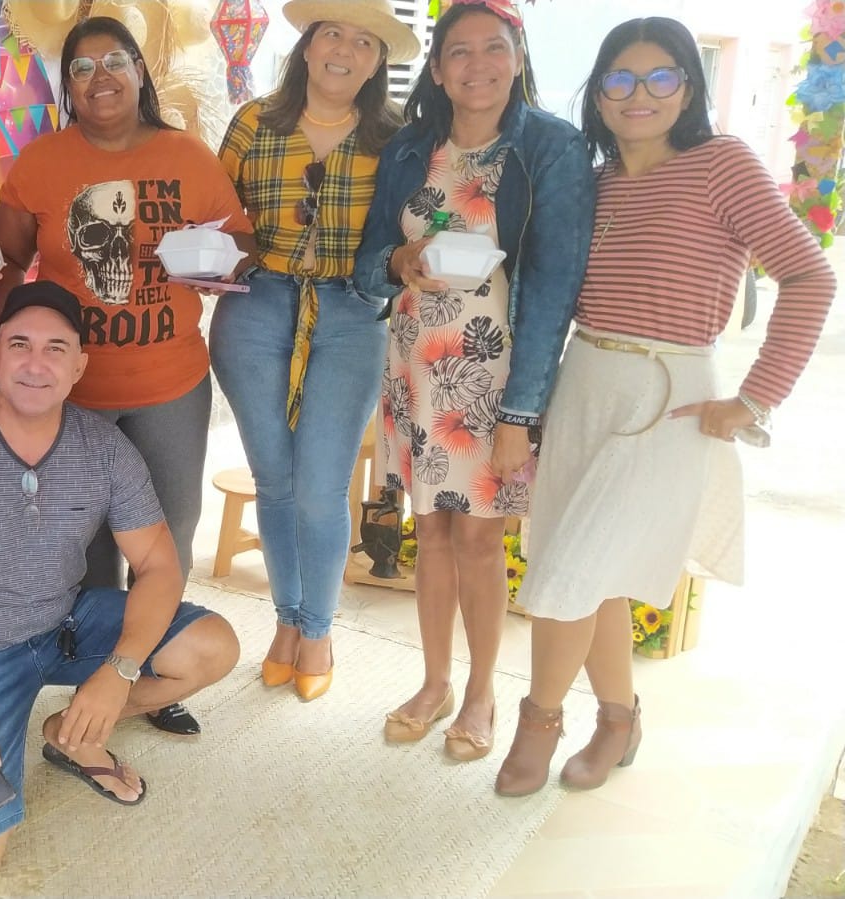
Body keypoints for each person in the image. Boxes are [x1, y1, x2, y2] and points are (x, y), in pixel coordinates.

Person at [494, 17, 835, 796]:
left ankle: (537, 723)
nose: (638, 94)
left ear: (689, 87)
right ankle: (619, 718)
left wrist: (755, 398)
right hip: (584, 384)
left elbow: (809, 277)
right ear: (598, 94)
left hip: (667, 400)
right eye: (620, 78)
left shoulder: (723, 165)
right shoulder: (595, 180)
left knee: (568, 576)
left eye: (660, 77)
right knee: (592, 571)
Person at [0, 281, 240, 876]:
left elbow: (158, 564)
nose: (35, 363)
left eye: (56, 348)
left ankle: (71, 733)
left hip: (65, 623)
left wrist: (118, 673)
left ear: (79, 366)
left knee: (212, 645)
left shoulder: (104, 449)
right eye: (19, 344)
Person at [0, 16, 253, 736]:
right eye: (81, 66)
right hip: (74, 395)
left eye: (115, 60)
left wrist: (215, 263)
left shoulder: (187, 155)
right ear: (67, 86)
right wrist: (7, 340)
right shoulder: (42, 162)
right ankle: (93, 676)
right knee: (87, 541)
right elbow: (7, 261)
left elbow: (241, 242)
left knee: (170, 532)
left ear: (140, 71)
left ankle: (155, 674)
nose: (99, 77)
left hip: (172, 386)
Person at [353, 0, 594, 760]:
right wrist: (397, 261)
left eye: (495, 48)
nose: (478, 65)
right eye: (459, 51)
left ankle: (482, 691)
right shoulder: (410, 147)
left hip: (493, 379)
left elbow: (553, 289)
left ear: (518, 59)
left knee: (481, 539)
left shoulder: (550, 147)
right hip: (415, 371)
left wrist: (522, 412)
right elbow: (368, 265)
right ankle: (434, 682)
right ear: (436, 68)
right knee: (431, 530)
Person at [212, 0, 419, 702]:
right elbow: (216, 212)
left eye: (364, 41)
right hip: (257, 306)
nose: (344, 50)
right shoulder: (255, 122)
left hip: (352, 314)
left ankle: (318, 630)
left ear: (377, 61)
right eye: (332, 33)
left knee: (321, 486)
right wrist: (221, 254)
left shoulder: (396, 138)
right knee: (274, 479)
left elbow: (409, 231)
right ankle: (286, 621)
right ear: (307, 45)